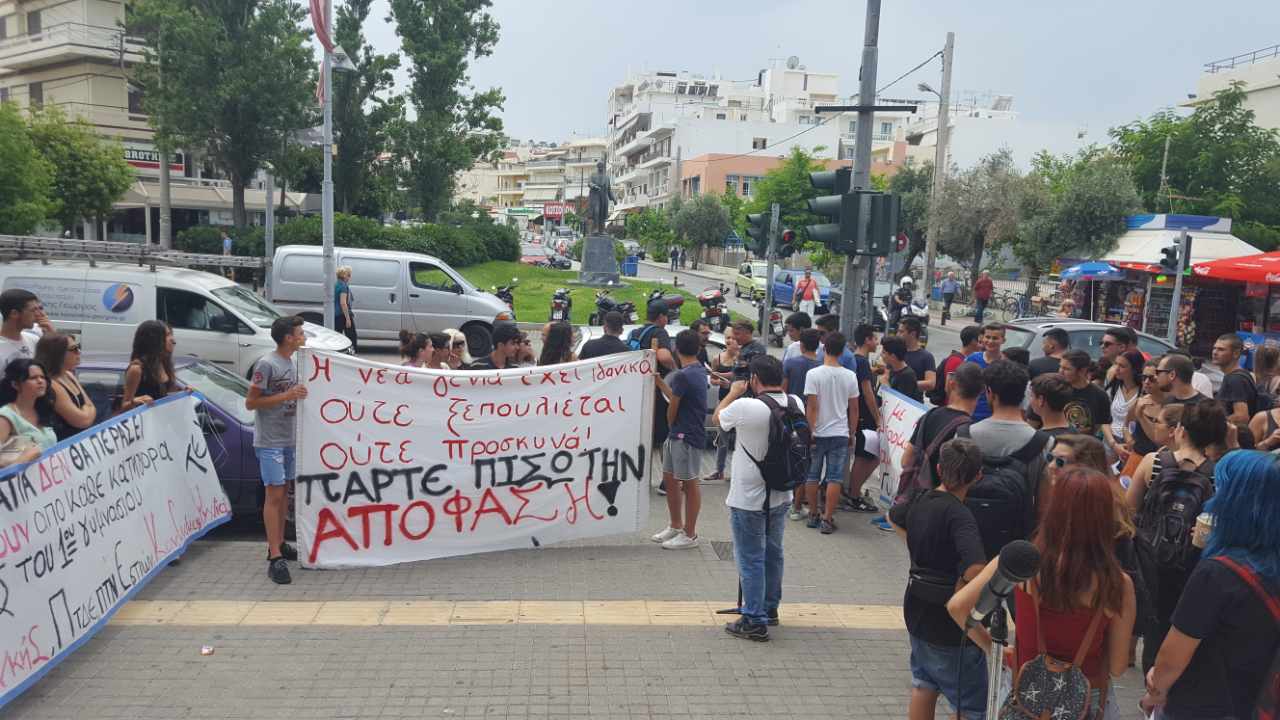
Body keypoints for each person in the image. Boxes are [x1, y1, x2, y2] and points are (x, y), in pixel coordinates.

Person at [949, 467, 1137, 720]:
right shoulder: (1118, 584)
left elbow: (958, 607)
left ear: (1053, 509)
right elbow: (1118, 666)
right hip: (1084, 703)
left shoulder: (1022, 563)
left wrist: (993, 649)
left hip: (1025, 696)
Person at [1140, 450, 1280, 720]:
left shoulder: (1217, 574)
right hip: (1258, 705)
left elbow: (1172, 658)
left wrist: (1155, 691)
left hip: (1202, 705)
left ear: (1235, 504)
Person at [888, 438, 989, 720]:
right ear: (978, 476)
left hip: (916, 607)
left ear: (940, 469)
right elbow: (975, 569)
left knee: (923, 684)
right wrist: (965, 585)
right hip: (949, 624)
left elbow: (893, 515)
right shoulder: (960, 515)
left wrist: (913, 545)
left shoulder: (920, 499)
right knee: (969, 706)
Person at [1126, 399, 1226, 671]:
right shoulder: (1218, 473)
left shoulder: (1153, 462)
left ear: (1180, 430)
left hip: (1150, 558)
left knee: (1153, 623)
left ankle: (1149, 673)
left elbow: (1129, 510)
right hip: (1192, 563)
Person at [713, 355, 799, 641]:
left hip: (749, 497)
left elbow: (717, 419)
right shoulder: (794, 403)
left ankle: (753, 619)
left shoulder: (746, 406)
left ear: (754, 379)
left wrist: (734, 392)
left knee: (750, 558)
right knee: (773, 553)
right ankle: (770, 608)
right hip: (781, 492)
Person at [245, 316, 308, 585]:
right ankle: (274, 556)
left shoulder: (294, 363)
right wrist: (286, 395)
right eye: (300, 333)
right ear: (288, 338)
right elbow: (251, 402)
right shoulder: (266, 364)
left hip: (289, 438)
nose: (304, 337)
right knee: (274, 494)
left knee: (284, 495)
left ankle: (280, 542)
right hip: (270, 440)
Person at [651, 330, 709, 550]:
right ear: (699, 348)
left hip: (685, 435)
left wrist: (670, 422)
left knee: (689, 482)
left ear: (676, 350)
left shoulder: (685, 375)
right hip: (678, 434)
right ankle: (676, 525)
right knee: (670, 478)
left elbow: (673, 407)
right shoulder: (696, 370)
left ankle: (689, 534)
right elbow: (675, 396)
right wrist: (659, 382)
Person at [802, 332, 860, 534]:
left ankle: (813, 514)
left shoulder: (813, 374)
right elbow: (854, 409)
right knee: (835, 478)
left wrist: (810, 430)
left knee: (812, 475)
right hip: (840, 433)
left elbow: (812, 407)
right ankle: (827, 519)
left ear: (824, 348)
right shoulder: (850, 376)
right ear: (843, 351)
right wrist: (852, 433)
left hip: (818, 432)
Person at [900, 362, 983, 492]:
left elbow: (906, 461)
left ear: (952, 384)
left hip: (918, 495)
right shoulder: (971, 431)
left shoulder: (930, 415)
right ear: (981, 391)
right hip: (944, 498)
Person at [709, 320, 766, 482]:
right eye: (732, 335)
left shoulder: (756, 350)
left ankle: (741, 472)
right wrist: (720, 376)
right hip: (734, 396)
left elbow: (750, 374)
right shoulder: (744, 349)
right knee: (722, 431)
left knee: (742, 437)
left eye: (737, 334)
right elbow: (737, 373)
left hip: (746, 399)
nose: (734, 338)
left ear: (747, 332)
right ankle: (719, 470)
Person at [849, 323, 884, 516]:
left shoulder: (857, 360)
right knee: (865, 456)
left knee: (865, 455)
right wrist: (877, 418)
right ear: (867, 340)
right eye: (875, 338)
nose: (877, 342)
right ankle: (854, 495)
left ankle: (853, 491)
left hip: (859, 415)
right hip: (864, 416)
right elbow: (867, 392)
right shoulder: (861, 362)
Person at [34, 333, 96, 441]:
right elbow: (82, 420)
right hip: (62, 444)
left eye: (78, 347)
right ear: (57, 354)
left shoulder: (69, 375)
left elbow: (91, 406)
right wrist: (87, 410)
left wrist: (87, 412)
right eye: (74, 349)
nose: (79, 352)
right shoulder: (50, 384)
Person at [0, 359, 57, 466]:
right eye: (33, 378)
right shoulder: (5, 417)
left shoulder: (42, 409)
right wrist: (24, 458)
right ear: (16, 385)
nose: (40, 381)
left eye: (42, 377)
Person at [122, 320, 176, 412]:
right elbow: (124, 405)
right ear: (154, 340)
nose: (173, 340)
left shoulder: (164, 363)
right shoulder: (137, 369)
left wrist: (185, 392)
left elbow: (167, 395)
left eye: (171, 334)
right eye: (167, 335)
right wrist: (135, 401)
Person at [1059, 349, 1112, 439]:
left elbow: (1101, 424)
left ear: (1082, 371)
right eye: (1060, 367)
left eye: (1066, 369)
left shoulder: (1099, 395)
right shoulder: (1056, 389)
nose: (1060, 371)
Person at [1105, 350, 1144, 462]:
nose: (1116, 369)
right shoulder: (1114, 386)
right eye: (1116, 364)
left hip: (1131, 443)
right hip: (1110, 440)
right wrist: (1113, 444)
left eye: (1122, 366)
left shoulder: (1143, 391)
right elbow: (1103, 418)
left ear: (1134, 369)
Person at [963, 323, 1005, 421]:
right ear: (982, 338)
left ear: (1003, 340)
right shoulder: (972, 358)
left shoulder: (1006, 364)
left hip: (993, 418)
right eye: (988, 337)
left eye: (995, 338)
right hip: (969, 415)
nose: (990, 341)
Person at [1212, 333, 1256, 425]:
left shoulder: (1236, 379)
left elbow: (1242, 417)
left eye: (1221, 349)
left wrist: (1214, 424)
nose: (1215, 352)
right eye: (1214, 348)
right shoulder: (1234, 376)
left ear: (1236, 353)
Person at [933, 325, 980, 407]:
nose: (983, 345)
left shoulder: (969, 359)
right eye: (980, 341)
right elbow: (949, 388)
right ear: (973, 341)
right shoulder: (956, 361)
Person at [1130, 362, 1167, 456]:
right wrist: (1129, 441)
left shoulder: (1172, 404)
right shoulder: (1140, 402)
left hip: (1161, 458)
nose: (1146, 382)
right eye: (1143, 377)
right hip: (1138, 456)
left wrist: (1141, 416)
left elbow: (1159, 439)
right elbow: (1126, 425)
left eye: (1152, 378)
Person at [0, 289, 39, 368]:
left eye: (38, 309)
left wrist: (51, 332)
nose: (38, 314)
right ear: (14, 313)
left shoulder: (34, 339)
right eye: (33, 310)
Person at [898, 316, 936, 395]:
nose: (897, 334)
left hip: (913, 400)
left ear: (913, 334)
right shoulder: (895, 351)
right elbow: (886, 374)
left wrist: (906, 384)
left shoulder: (926, 357)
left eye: (901, 332)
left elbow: (931, 383)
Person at [1029, 373, 1074, 438]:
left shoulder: (1039, 439)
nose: (1030, 400)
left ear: (1041, 400)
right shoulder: (1075, 432)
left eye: (1031, 396)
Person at [781, 328, 821, 396]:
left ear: (801, 344)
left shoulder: (789, 363)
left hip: (792, 402)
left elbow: (783, 391)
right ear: (818, 345)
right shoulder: (822, 365)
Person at [881, 335, 921, 402]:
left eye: (883, 352)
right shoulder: (891, 368)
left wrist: (885, 384)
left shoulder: (907, 376)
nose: (881, 355)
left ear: (893, 357)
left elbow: (900, 402)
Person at [334, 266, 357, 353]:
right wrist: (348, 318)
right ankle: (352, 353)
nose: (350, 277)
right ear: (344, 276)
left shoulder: (336, 284)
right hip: (342, 314)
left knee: (337, 337)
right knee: (352, 336)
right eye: (349, 275)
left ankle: (337, 354)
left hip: (336, 315)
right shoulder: (343, 286)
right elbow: (343, 303)